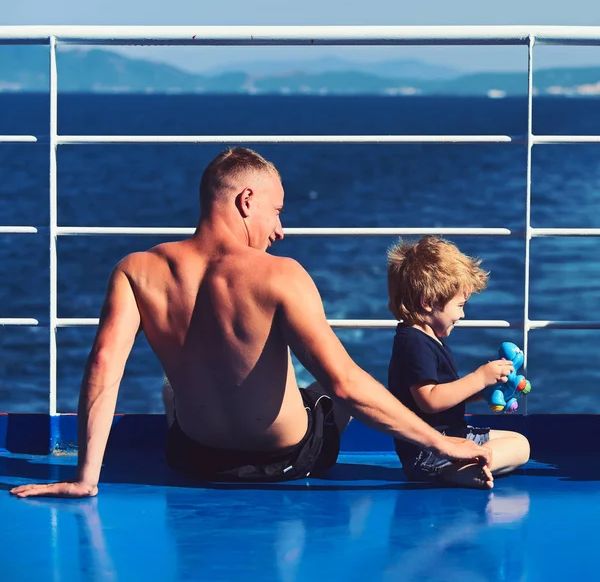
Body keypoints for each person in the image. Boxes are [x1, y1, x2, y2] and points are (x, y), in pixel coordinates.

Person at [11, 148, 492, 498]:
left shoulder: (136, 270)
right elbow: (345, 386)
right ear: (246, 200)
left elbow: (104, 367)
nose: (279, 228)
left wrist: (85, 477)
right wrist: (438, 442)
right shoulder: (281, 274)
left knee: (171, 388)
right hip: (287, 461)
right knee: (327, 393)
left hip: (194, 458)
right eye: (276, 210)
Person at [386, 235, 530, 489]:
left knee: (520, 444)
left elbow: (444, 396)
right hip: (429, 450)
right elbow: (429, 400)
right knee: (517, 447)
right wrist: (478, 378)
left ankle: (471, 466)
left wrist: (482, 392)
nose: (463, 314)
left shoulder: (428, 338)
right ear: (428, 303)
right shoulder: (414, 343)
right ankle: (455, 470)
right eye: (460, 305)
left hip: (450, 435)